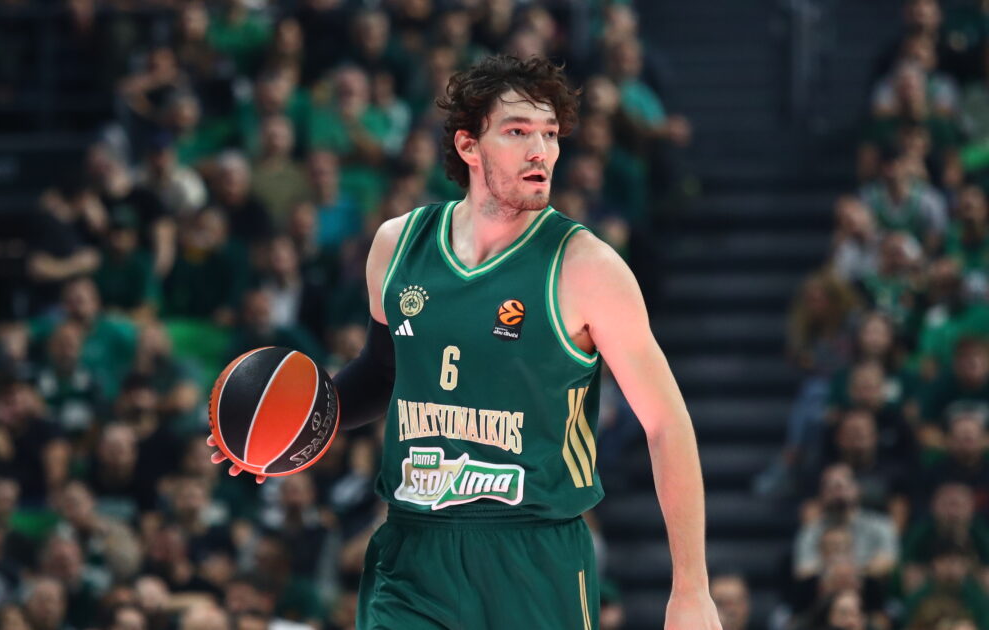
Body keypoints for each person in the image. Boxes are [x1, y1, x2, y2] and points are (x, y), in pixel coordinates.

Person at [208, 54, 720, 629]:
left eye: (550, 134)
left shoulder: (587, 268)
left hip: (534, 552)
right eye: (518, 132)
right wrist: (288, 426)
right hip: (413, 548)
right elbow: (382, 372)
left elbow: (666, 424)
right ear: (468, 146)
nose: (541, 151)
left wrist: (691, 590)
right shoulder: (397, 246)